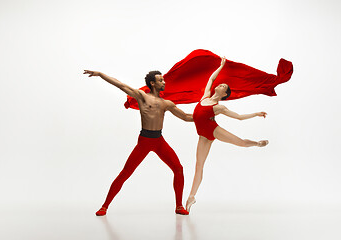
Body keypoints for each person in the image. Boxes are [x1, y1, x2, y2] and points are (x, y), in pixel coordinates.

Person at [83, 69, 193, 216]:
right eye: (161, 80)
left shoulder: (166, 103)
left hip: (159, 141)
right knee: (125, 173)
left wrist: (206, 114)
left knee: (178, 169)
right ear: (153, 83)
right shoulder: (142, 97)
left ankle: (179, 206)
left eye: (163, 80)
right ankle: (104, 206)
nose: (164, 82)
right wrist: (101, 75)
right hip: (144, 141)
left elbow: (186, 117)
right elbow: (121, 85)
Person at [186, 57, 269, 212]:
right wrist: (221, 66)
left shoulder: (219, 107)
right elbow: (211, 78)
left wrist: (256, 113)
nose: (220, 84)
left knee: (242, 143)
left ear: (224, 94)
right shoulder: (205, 96)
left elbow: (238, 117)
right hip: (202, 136)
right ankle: (191, 197)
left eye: (223, 86)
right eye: (221, 83)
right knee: (199, 166)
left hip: (212, 130)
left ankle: (258, 143)